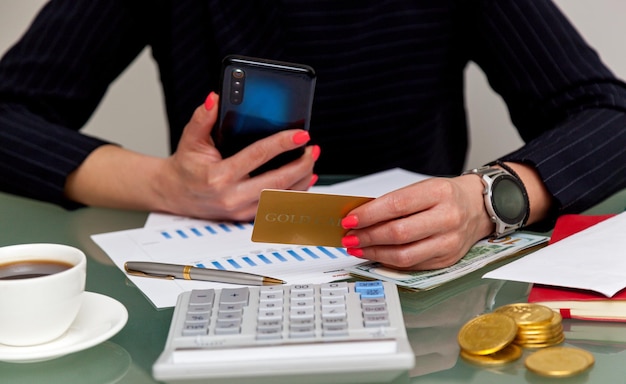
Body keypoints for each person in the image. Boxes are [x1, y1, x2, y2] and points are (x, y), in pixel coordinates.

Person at [1, 0, 625, 271]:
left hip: (418, 277)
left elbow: (609, 115)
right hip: (217, 266)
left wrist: (486, 201)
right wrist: (163, 183)